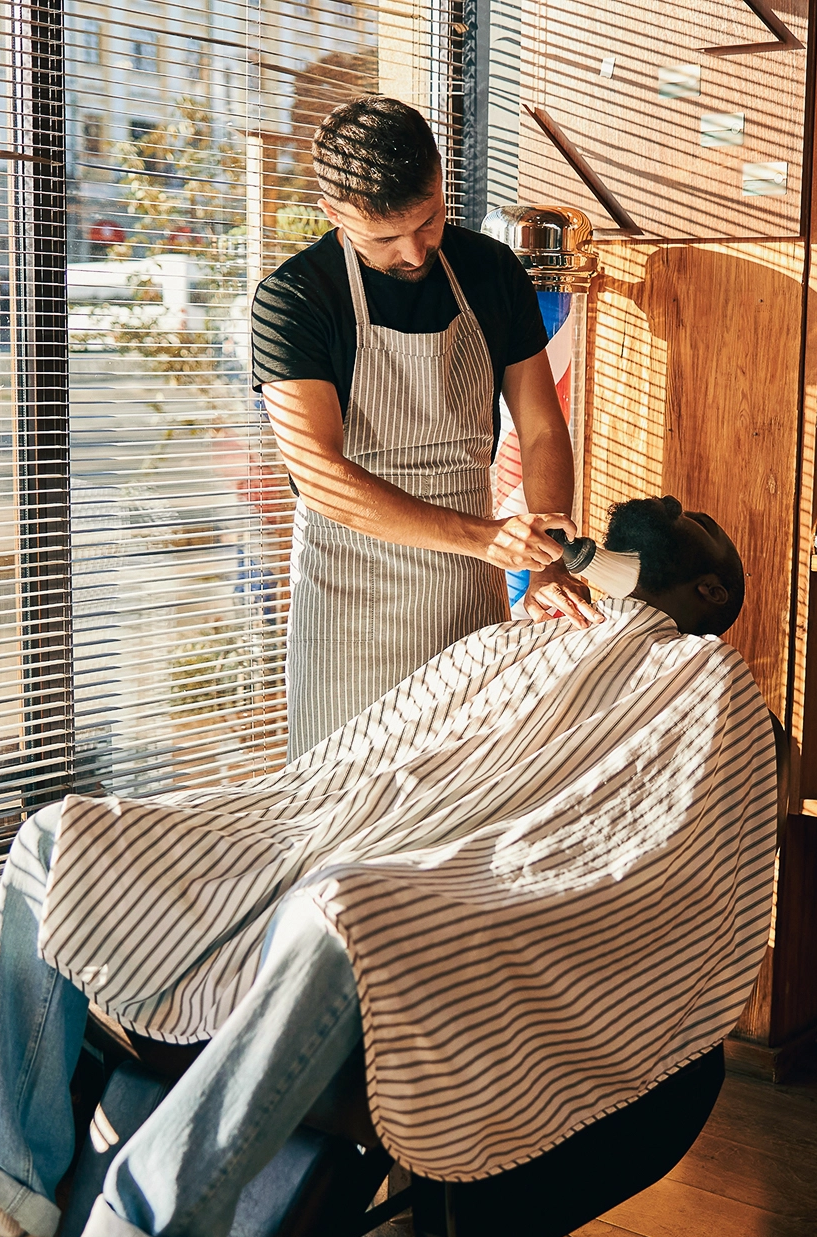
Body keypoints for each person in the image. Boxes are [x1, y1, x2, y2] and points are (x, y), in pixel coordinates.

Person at [0, 496, 746, 1237]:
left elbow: (653, 851)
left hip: (472, 889)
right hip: (320, 836)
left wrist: (396, 863)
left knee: (340, 905)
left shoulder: (704, 676)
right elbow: (345, 773)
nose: (664, 496)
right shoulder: (515, 636)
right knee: (57, 836)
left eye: (691, 516)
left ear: (704, 586)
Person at [252, 96, 598, 759]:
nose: (415, 250)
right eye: (385, 237)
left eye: (430, 219)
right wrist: (487, 537)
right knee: (343, 812)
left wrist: (550, 556)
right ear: (333, 214)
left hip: (468, 600)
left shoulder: (492, 272)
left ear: (443, 182)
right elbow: (321, 477)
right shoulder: (293, 300)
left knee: (459, 802)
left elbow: (543, 428)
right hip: (350, 617)